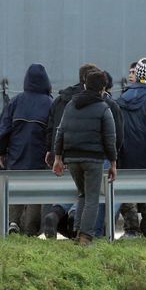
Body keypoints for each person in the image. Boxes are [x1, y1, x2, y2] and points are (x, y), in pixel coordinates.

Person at [52, 70, 118, 245]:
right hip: (93, 159)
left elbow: (60, 132)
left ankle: (77, 231)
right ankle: (85, 237)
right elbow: (110, 139)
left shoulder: (71, 105)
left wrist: (58, 158)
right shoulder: (103, 108)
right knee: (92, 199)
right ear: (103, 88)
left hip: (72, 158)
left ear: (86, 85)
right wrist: (113, 163)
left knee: (82, 194)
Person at [41, 63, 99, 238]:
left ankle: (56, 213)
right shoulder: (92, 101)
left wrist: (52, 151)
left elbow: (52, 128)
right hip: (81, 151)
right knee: (83, 192)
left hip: (62, 153)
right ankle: (75, 217)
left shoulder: (60, 99)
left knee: (68, 188)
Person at [0, 64, 53, 235]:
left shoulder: (16, 101)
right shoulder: (50, 103)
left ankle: (12, 223)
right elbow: (53, 132)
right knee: (36, 191)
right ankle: (30, 229)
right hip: (39, 156)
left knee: (15, 188)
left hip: (16, 154)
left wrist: (1, 151)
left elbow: (3, 129)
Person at [117, 58, 146, 238]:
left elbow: (118, 131)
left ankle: (131, 229)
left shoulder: (122, 99)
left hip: (126, 153)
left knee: (127, 189)